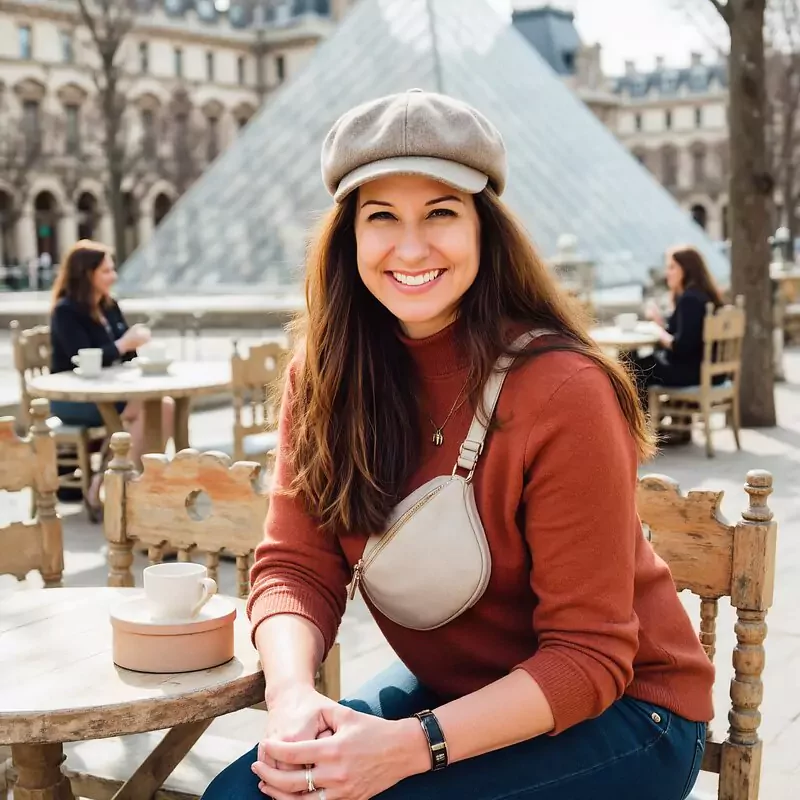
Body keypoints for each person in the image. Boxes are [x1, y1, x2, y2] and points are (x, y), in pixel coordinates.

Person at [203, 90, 714, 800]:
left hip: (629, 714)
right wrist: (291, 696)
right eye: (382, 216)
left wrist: (412, 746)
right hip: (459, 694)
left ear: (484, 229)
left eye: (441, 212)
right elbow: (295, 566)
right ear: (348, 236)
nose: (411, 247)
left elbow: (590, 657)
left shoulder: (563, 388)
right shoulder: (321, 378)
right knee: (240, 795)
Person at [50, 239, 173, 507]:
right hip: (75, 398)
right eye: (106, 271)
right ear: (86, 274)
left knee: (164, 406)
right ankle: (113, 485)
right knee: (147, 404)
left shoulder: (109, 306)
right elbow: (81, 357)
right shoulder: (66, 311)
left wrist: (134, 344)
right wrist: (123, 343)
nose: (113, 276)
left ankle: (141, 483)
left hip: (114, 392)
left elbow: (125, 356)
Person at [632, 246, 725, 424]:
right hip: (708, 370)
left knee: (633, 365)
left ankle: (640, 428)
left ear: (686, 269)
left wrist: (656, 330)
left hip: (693, 372)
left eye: (672, 267)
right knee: (641, 362)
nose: (667, 273)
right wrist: (661, 324)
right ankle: (660, 425)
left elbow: (680, 346)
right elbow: (690, 337)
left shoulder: (690, 299)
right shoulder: (702, 295)